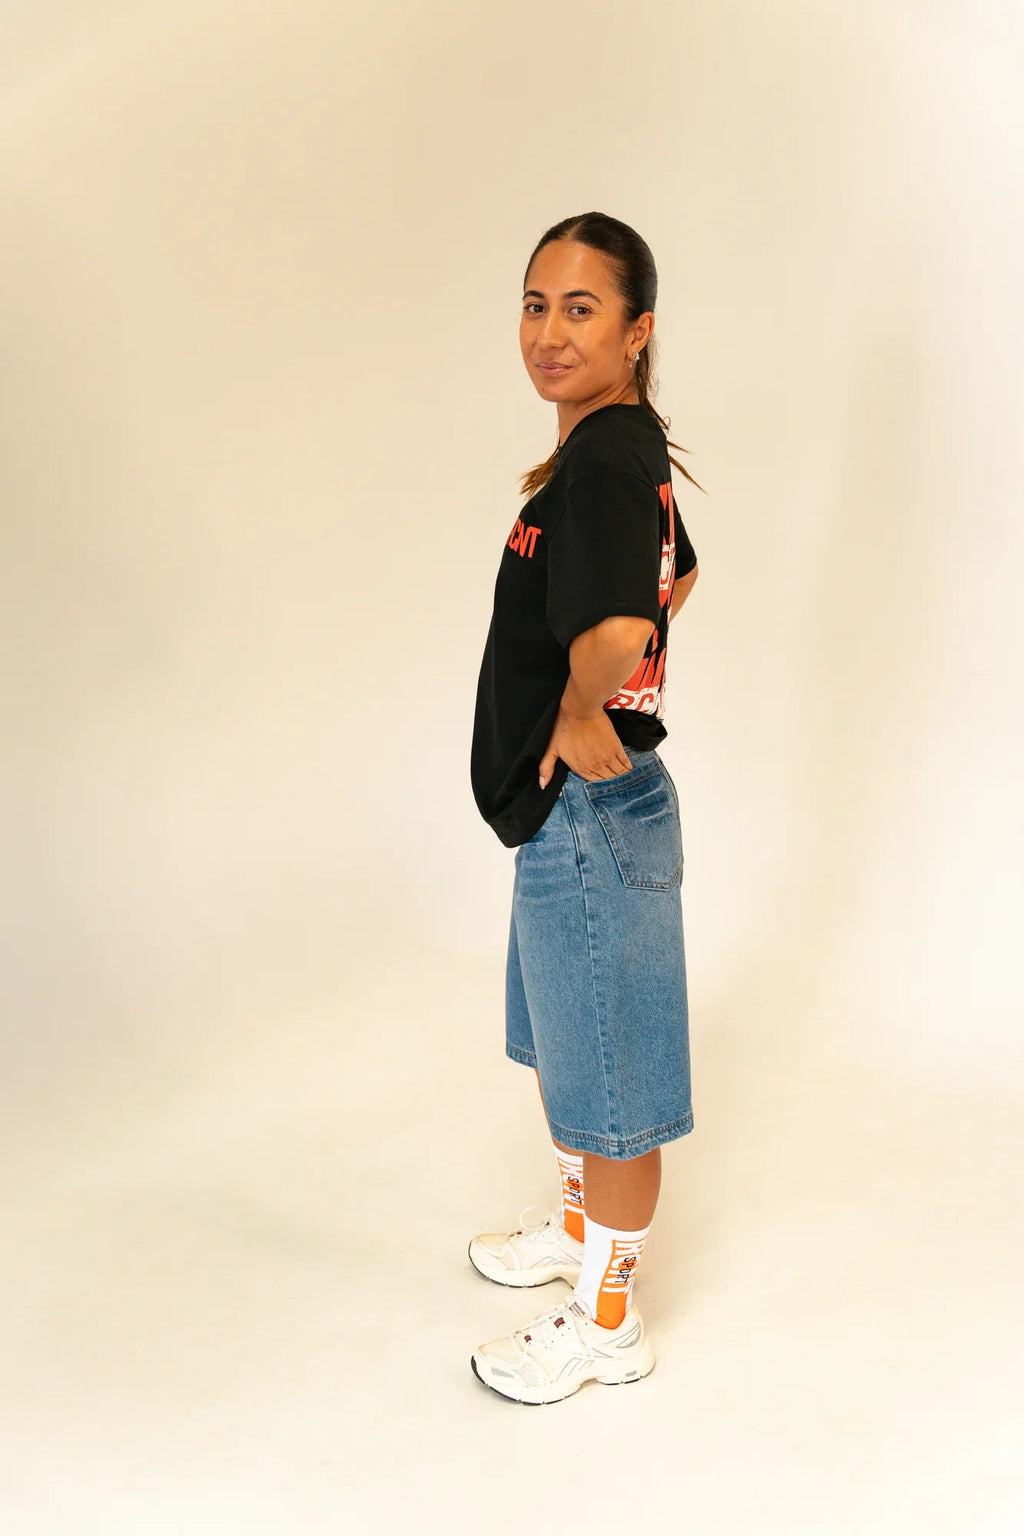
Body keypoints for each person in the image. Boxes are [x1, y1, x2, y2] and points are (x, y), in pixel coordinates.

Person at [467, 212, 704, 1405]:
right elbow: (683, 573)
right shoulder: (608, 452)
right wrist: (614, 684)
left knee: (612, 1086)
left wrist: (582, 705)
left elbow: (622, 621)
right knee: (573, 1047)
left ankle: (605, 1321)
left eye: (581, 308)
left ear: (636, 329)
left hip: (594, 820)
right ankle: (575, 1237)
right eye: (534, 304)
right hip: (565, 822)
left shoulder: (609, 454)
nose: (550, 331)